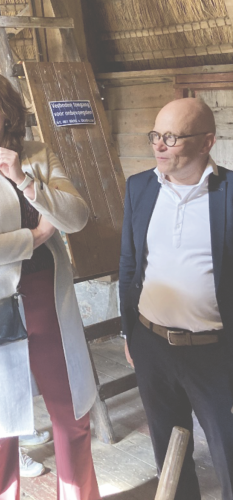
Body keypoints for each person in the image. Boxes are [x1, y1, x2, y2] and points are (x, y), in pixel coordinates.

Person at [0, 69, 100, 500]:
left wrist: (26, 181)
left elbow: (77, 216)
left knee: (72, 417)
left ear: (6, 111)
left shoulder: (37, 155)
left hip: (48, 300)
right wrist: (37, 236)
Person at [119, 97, 233, 500]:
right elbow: (129, 266)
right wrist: (128, 334)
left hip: (215, 351)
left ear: (206, 143)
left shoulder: (230, 192)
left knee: (228, 456)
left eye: (171, 137)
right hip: (152, 345)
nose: (159, 145)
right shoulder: (140, 187)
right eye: (155, 135)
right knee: (169, 455)